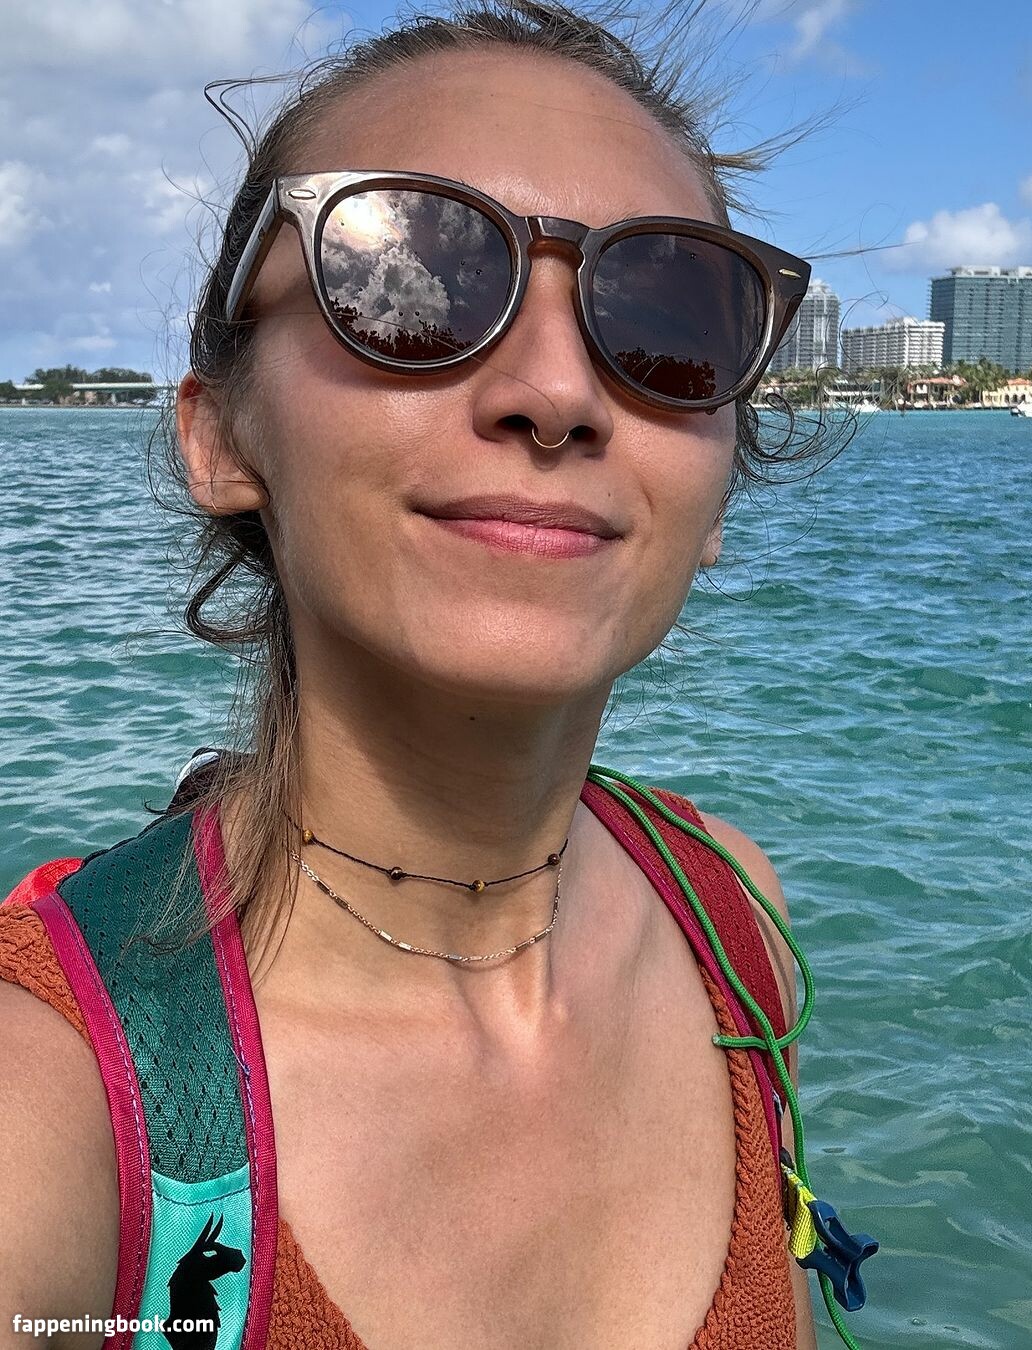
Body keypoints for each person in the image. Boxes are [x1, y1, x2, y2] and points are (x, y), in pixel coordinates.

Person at [0, 3, 851, 1347]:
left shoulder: (734, 924)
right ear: (223, 437)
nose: (558, 390)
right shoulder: (47, 1113)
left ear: (718, 487)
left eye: (668, 319)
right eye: (409, 282)